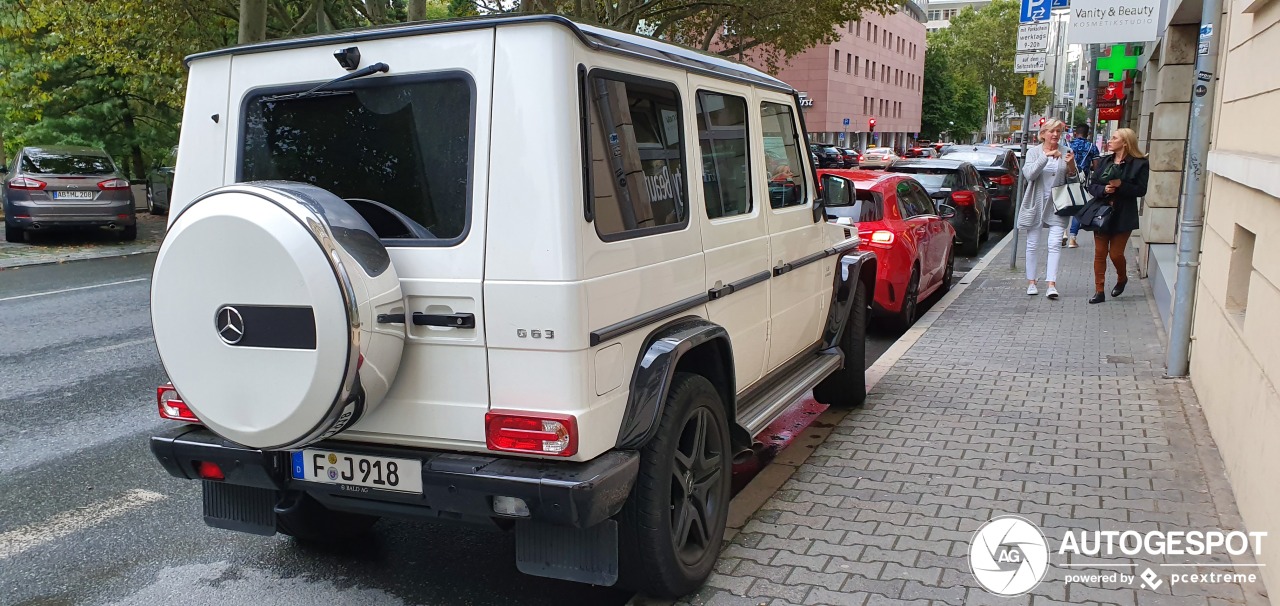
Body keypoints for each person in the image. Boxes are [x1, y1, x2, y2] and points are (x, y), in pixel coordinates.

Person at [1084, 128, 1149, 304]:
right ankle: (1099, 291)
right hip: (1102, 213)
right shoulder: (1105, 161)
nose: (1110, 141)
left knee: (1115, 254)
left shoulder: (1139, 163)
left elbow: (1141, 190)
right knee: (1099, 253)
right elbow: (1092, 185)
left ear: (1125, 142)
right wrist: (1104, 190)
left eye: (1114, 138)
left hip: (1123, 214)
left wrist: (1121, 185)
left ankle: (1122, 278)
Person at [1018, 118, 1077, 300]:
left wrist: (1071, 165)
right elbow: (1029, 174)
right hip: (1035, 203)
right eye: (1051, 131)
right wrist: (1047, 156)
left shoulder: (1067, 151)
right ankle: (1032, 282)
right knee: (1032, 244)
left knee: (1054, 244)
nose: (1055, 135)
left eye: (1058, 131)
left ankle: (1051, 284)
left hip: (1057, 204)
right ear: (1042, 134)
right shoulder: (1034, 152)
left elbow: (1074, 181)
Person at [1065, 125, 1100, 248]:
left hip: (1067, 178)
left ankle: (1063, 233)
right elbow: (1096, 167)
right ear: (1088, 134)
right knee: (1078, 209)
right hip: (1082, 181)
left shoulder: (1067, 145)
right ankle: (1072, 238)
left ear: (1075, 133)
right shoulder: (1092, 147)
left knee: (1064, 205)